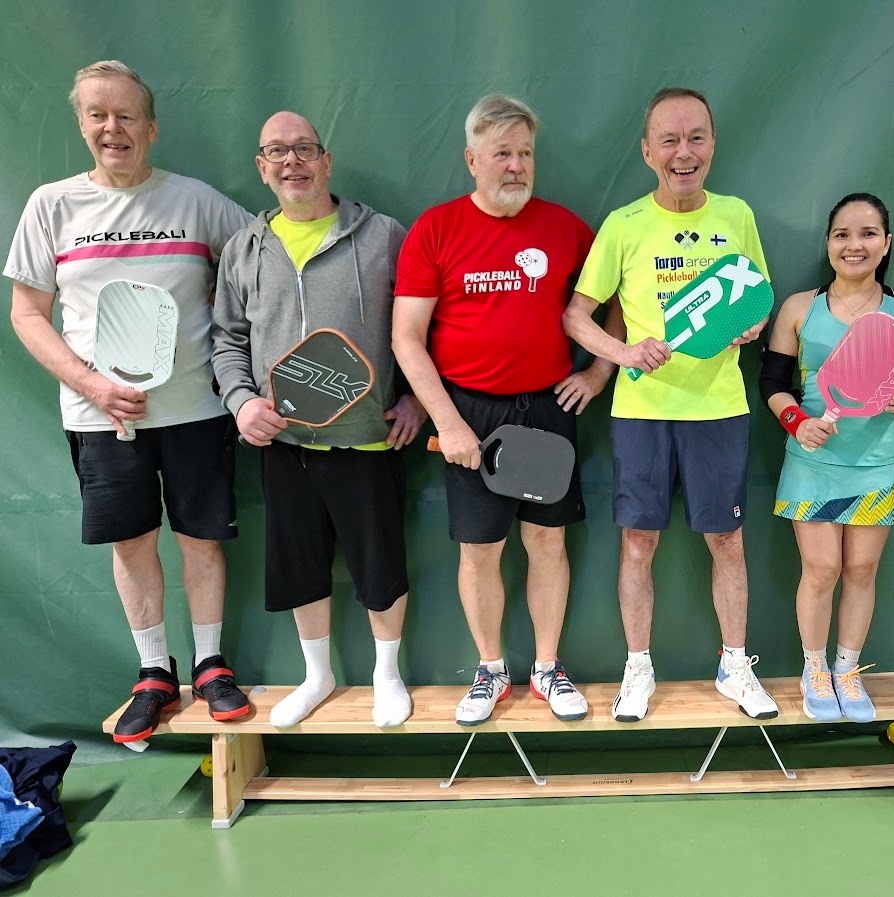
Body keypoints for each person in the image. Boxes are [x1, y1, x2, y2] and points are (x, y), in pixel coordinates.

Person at [5, 60, 254, 743]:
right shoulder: (51, 207)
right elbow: (26, 314)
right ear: (82, 123)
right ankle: (153, 672)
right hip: (99, 417)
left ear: (150, 127)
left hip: (199, 409)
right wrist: (91, 383)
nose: (111, 128)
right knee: (132, 540)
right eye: (97, 114)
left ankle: (210, 665)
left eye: (125, 116)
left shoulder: (198, 201)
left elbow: (259, 262)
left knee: (201, 538)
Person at [393, 94, 618, 726]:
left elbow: (615, 299)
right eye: (501, 154)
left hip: (548, 409)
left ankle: (548, 668)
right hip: (469, 414)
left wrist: (598, 372)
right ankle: (491, 671)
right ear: (472, 160)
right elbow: (406, 338)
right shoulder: (435, 230)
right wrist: (448, 421)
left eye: (524, 153)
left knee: (548, 545)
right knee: (480, 550)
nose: (515, 166)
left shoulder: (567, 228)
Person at [562, 87, 778, 723]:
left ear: (712, 145)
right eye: (670, 140)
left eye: (696, 138)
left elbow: (757, 299)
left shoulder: (736, 214)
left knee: (728, 540)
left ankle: (735, 666)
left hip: (719, 409)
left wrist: (749, 328)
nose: (684, 152)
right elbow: (577, 317)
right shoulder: (624, 225)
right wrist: (623, 356)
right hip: (642, 412)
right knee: (638, 542)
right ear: (647, 150)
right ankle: (638, 668)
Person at [212, 112, 420, 729]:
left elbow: (422, 331)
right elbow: (226, 340)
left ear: (326, 161)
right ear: (261, 166)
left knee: (379, 564)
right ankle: (317, 676)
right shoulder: (244, 250)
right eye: (277, 151)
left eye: (303, 149)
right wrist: (242, 403)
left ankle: (388, 674)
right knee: (300, 565)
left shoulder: (384, 236)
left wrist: (412, 399)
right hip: (284, 443)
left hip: (368, 440)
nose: (291, 162)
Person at [762, 193, 894, 724]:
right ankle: (815, 669)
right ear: (829, 243)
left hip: (880, 462)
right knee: (822, 568)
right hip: (811, 460)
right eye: (842, 235)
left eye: (868, 233)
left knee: (861, 568)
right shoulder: (798, 308)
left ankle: (848, 669)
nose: (854, 244)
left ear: (886, 244)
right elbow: (771, 382)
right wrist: (797, 422)